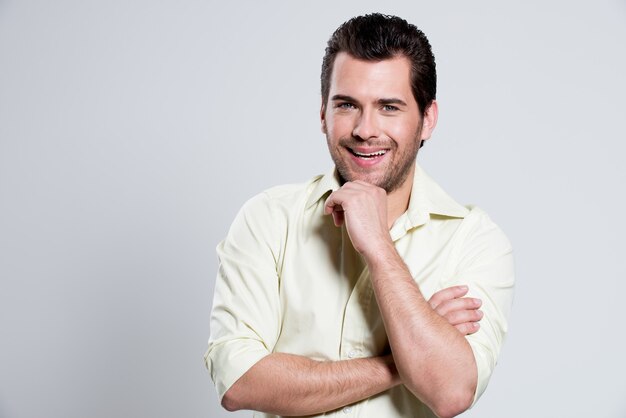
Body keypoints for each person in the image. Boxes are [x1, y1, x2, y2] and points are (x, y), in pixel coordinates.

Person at [205, 13, 514, 418]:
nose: (366, 129)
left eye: (389, 107)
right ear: (322, 114)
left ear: (427, 119)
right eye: (348, 105)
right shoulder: (268, 218)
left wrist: (379, 246)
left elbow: (450, 391)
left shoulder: (473, 240)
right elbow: (239, 381)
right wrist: (400, 363)